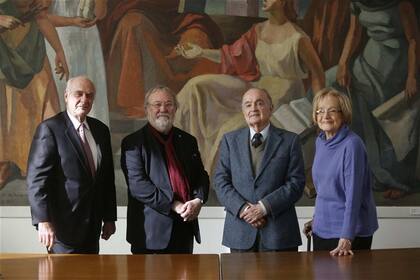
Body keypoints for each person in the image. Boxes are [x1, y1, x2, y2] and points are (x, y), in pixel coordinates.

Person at [174, 0, 325, 173]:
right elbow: (232, 56)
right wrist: (201, 52)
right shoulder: (258, 30)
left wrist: (319, 109)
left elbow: (317, 74)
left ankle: (209, 175)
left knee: (230, 128)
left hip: (282, 94)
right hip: (257, 85)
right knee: (196, 87)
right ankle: (183, 156)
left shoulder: (298, 38)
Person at [325, 0, 420, 199]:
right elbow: (354, 32)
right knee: (355, 107)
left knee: (390, 122)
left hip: (396, 64)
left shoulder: (401, 3)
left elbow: (413, 40)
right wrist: (343, 63)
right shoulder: (357, 2)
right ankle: (374, 174)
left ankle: (399, 180)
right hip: (369, 58)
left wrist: (412, 76)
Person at [27, 76, 117, 254]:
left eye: (89, 95)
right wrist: (43, 221)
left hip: (93, 226)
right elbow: (36, 181)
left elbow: (106, 178)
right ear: (66, 96)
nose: (85, 100)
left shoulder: (101, 130)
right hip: (62, 228)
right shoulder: (50, 129)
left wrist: (109, 217)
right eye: (79, 94)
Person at [214, 88, 305, 252]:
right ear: (243, 111)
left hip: (279, 235)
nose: (253, 108)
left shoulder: (291, 141)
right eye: (248, 105)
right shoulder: (229, 141)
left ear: (271, 107)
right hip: (240, 234)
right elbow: (221, 182)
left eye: (260, 103)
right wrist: (245, 210)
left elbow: (296, 183)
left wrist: (263, 208)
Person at [120, 85, 209, 254]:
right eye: (157, 105)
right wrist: (174, 205)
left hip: (184, 228)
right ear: (147, 109)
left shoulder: (188, 141)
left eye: (168, 104)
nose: (163, 109)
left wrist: (198, 200)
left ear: (175, 109)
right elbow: (138, 186)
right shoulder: (133, 143)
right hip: (151, 234)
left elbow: (201, 176)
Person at [97, 0, 223, 117]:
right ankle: (140, 108)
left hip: (182, 19)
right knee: (133, 24)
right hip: (140, 12)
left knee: (197, 40)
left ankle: (191, 109)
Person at [0, 0, 68, 189]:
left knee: (45, 103)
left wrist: (59, 51)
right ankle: (4, 162)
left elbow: (40, 15)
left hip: (32, 46)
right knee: (5, 109)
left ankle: (43, 162)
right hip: (3, 53)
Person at [303, 88, 378, 256]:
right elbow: (323, 190)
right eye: (320, 111)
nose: (325, 116)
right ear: (315, 116)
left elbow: (353, 195)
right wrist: (317, 219)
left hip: (349, 233)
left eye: (332, 111)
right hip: (322, 229)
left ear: (343, 114)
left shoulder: (352, 145)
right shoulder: (320, 142)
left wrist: (347, 236)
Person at [45, 0, 110, 125]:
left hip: (88, 40)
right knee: (63, 90)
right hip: (60, 38)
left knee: (89, 88)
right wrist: (72, 21)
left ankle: (91, 138)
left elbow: (100, 13)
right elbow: (41, 18)